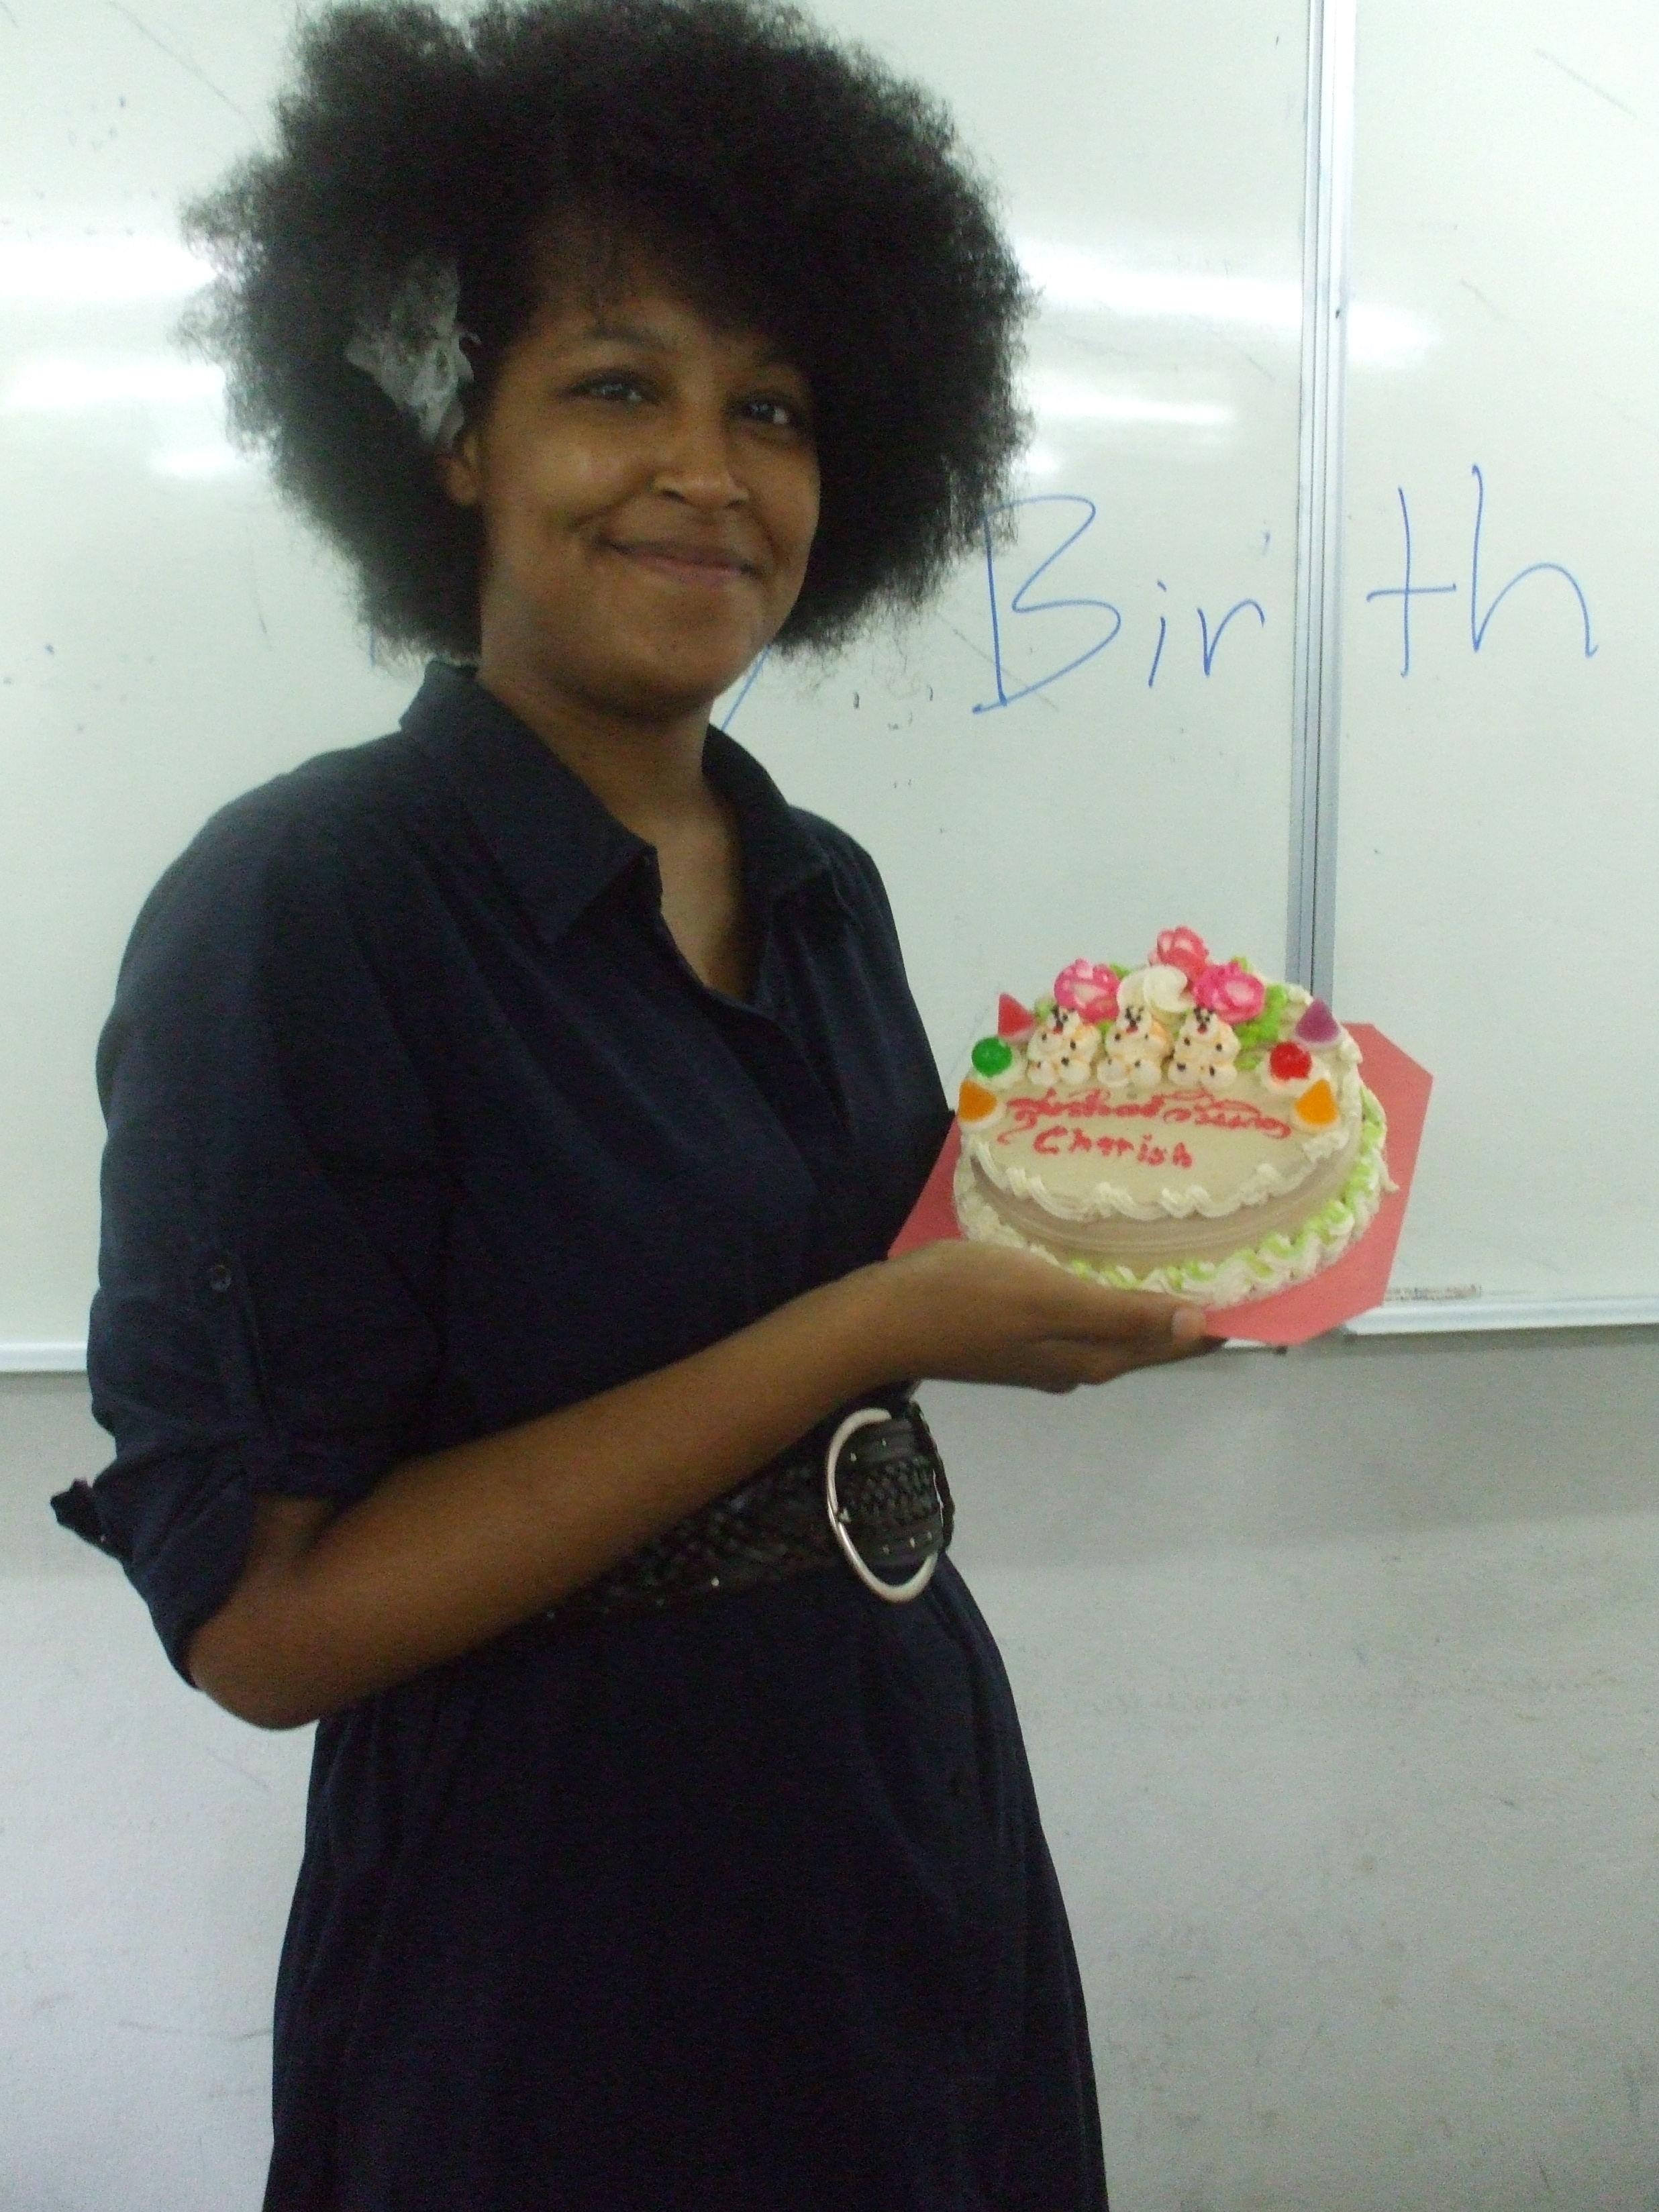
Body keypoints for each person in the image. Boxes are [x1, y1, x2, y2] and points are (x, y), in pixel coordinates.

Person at [53, 3, 1215, 2205]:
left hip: (912, 1849)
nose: (709, 469)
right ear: (455, 438)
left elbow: (885, 1296)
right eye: (616, 385)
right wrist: (880, 1326)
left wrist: (1148, 1219)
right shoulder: (308, 905)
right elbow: (267, 1629)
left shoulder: (821, 884)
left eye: (772, 408)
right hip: (556, 1955)